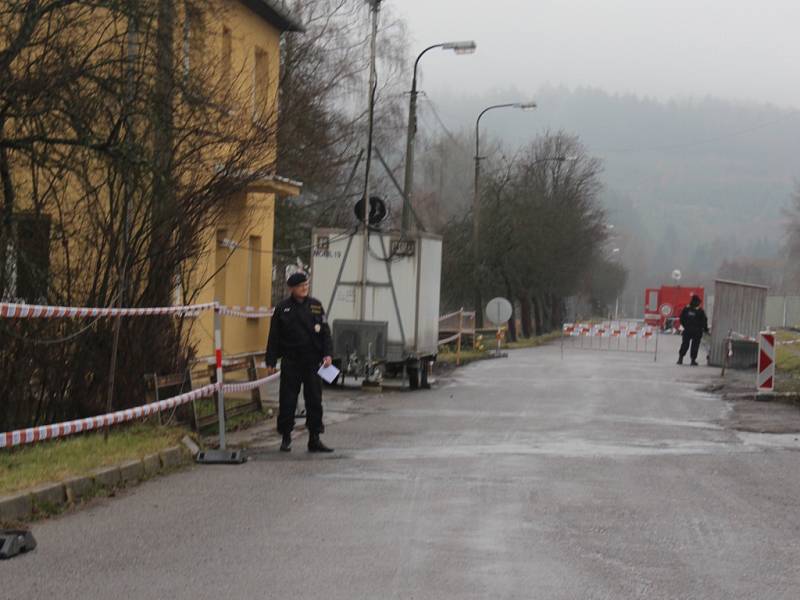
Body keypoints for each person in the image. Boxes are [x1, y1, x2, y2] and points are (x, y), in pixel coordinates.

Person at [265, 272, 334, 453]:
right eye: (301, 285)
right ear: (292, 288)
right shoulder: (283, 308)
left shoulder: (316, 306)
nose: (305, 288)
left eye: (306, 284)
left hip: (312, 361)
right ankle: (286, 437)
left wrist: (328, 354)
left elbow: (325, 332)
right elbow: (274, 336)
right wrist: (270, 360)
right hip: (291, 361)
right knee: (287, 400)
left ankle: (315, 438)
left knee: (314, 400)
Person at [677, 294, 709, 366]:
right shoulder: (700, 311)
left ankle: (680, 358)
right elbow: (704, 321)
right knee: (695, 345)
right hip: (697, 331)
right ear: (697, 302)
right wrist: (705, 329)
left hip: (687, 330)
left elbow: (681, 318)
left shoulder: (686, 309)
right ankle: (693, 360)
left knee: (685, 344)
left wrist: (685, 326)